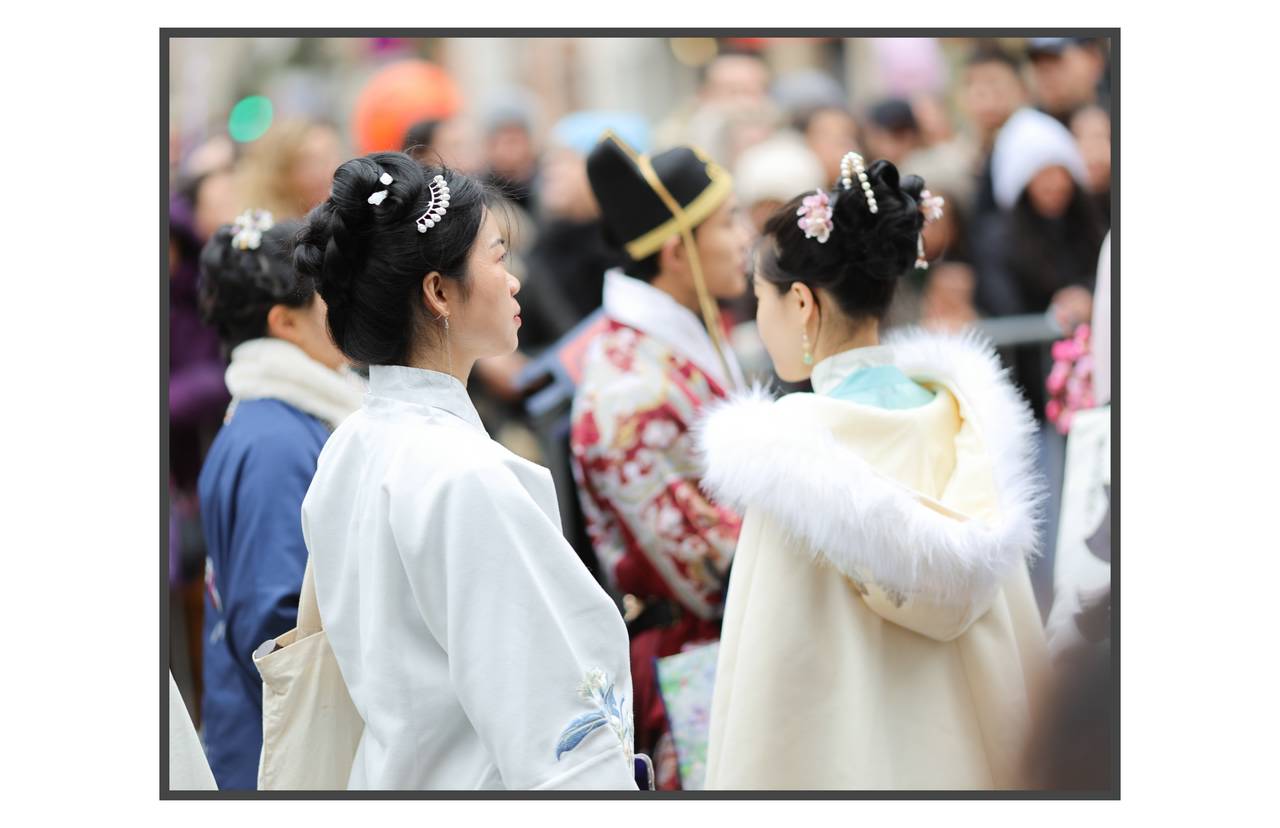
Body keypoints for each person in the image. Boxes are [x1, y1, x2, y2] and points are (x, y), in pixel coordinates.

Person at [699, 153, 1049, 789]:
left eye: (760, 298)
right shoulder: (967, 426)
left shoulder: (789, 459)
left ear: (801, 302)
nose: (759, 316)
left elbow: (772, 705)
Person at [294, 152, 637, 790]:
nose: (514, 282)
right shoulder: (464, 476)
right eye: (499, 257)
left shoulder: (354, 442)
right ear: (438, 291)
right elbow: (548, 718)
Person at [569, 133, 750, 788]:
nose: (743, 237)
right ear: (678, 251)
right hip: (694, 658)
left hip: (732, 638)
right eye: (729, 223)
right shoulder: (629, 391)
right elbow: (708, 568)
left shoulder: (666, 346)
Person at [195, 209, 363, 791]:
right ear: (285, 325)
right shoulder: (276, 440)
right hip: (281, 758)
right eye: (325, 298)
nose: (341, 308)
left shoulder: (275, 419)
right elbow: (281, 627)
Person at [235, 118, 344, 220]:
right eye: (312, 163)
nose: (331, 170)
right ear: (282, 174)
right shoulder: (267, 231)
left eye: (331, 157)